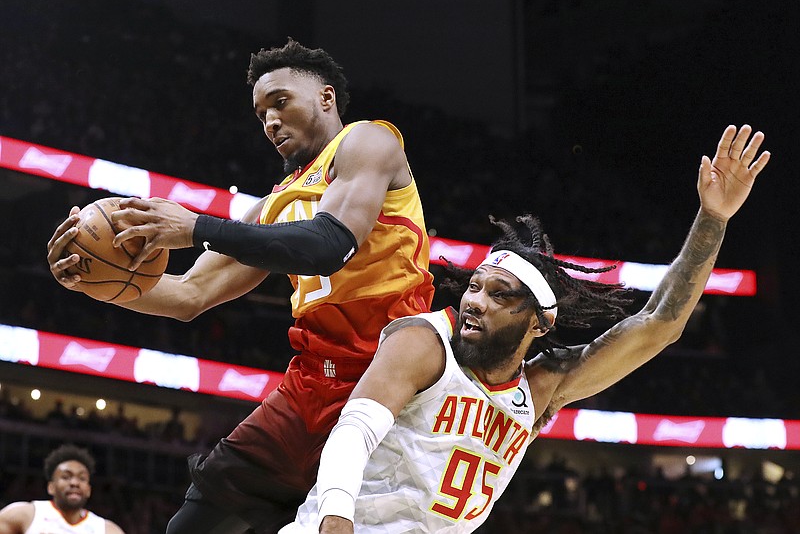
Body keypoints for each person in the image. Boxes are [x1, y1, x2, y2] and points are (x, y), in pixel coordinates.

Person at [278, 124, 771, 533]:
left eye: (500, 295)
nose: (475, 301)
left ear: (540, 321)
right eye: (475, 286)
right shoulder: (424, 342)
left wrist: (713, 217)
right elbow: (355, 431)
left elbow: (659, 323)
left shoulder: (541, 387)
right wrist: (336, 518)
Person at [45, 39, 434, 533]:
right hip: (312, 382)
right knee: (190, 526)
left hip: (390, 379)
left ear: (327, 98)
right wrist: (94, 284)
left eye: (280, 102)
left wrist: (196, 227)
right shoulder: (273, 205)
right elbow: (189, 295)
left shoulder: (367, 142)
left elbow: (329, 244)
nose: (269, 120)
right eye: (260, 113)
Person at [0, 443, 125, 534]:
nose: (74, 483)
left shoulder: (105, 529)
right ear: (51, 487)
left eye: (82, 478)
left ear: (88, 490)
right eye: (66, 477)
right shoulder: (26, 515)